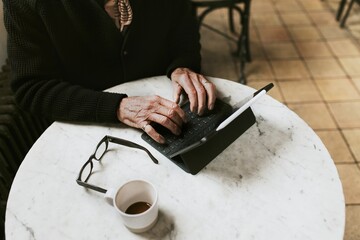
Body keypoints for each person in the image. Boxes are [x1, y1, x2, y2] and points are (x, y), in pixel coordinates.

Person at [3, 0, 216, 144]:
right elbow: (32, 88)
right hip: (89, 125)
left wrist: (182, 65)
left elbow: (183, 27)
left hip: (165, 103)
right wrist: (118, 107)